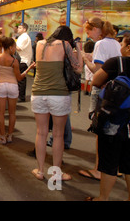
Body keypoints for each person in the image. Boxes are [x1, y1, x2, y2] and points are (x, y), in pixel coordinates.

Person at [31, 26, 82, 181]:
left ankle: (40, 171)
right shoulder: (65, 45)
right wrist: (78, 49)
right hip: (58, 95)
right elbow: (78, 68)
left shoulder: (40, 43)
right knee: (58, 135)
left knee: (41, 133)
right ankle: (56, 173)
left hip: (38, 93)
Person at [86, 35, 130, 201]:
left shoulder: (117, 62)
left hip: (115, 118)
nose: (120, 46)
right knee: (128, 161)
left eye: (123, 44)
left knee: (109, 159)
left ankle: (103, 198)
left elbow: (96, 81)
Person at [79, 17, 122, 181]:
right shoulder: (116, 43)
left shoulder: (100, 44)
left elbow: (97, 71)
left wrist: (85, 59)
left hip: (103, 91)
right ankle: (113, 167)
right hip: (117, 92)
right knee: (114, 130)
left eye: (89, 30)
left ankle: (99, 168)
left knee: (100, 131)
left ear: (97, 29)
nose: (88, 34)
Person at [0, 37, 35, 144]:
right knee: (12, 113)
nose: (15, 49)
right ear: (10, 47)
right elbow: (19, 78)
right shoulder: (14, 61)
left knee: (0, 113)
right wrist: (29, 69)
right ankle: (9, 135)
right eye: (14, 47)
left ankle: (1, 137)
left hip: (1, 85)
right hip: (13, 86)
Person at [16, 23, 33, 102]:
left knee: (21, 79)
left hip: (23, 60)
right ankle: (20, 95)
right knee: (20, 78)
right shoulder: (22, 37)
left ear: (24, 29)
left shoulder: (24, 37)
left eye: (20, 28)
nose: (18, 29)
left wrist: (11, 42)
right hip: (22, 60)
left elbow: (19, 48)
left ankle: (21, 96)